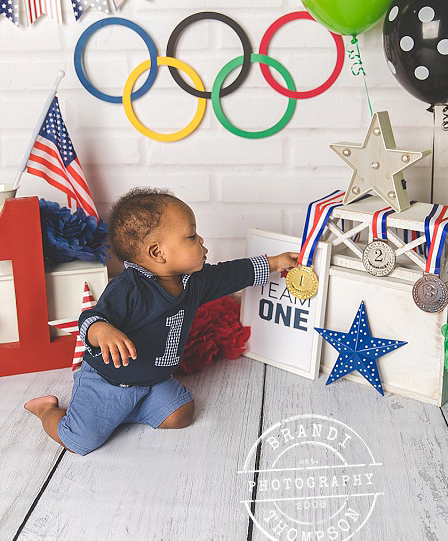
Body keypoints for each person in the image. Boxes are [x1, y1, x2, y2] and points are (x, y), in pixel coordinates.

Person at [23, 188, 301, 455]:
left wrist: (274, 262)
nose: (201, 240)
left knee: (182, 414)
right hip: (109, 382)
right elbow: (92, 317)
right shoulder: (129, 288)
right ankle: (47, 411)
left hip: (152, 380)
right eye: (191, 236)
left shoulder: (194, 282)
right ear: (157, 253)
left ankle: (128, 410)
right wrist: (103, 331)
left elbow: (231, 274)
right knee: (80, 441)